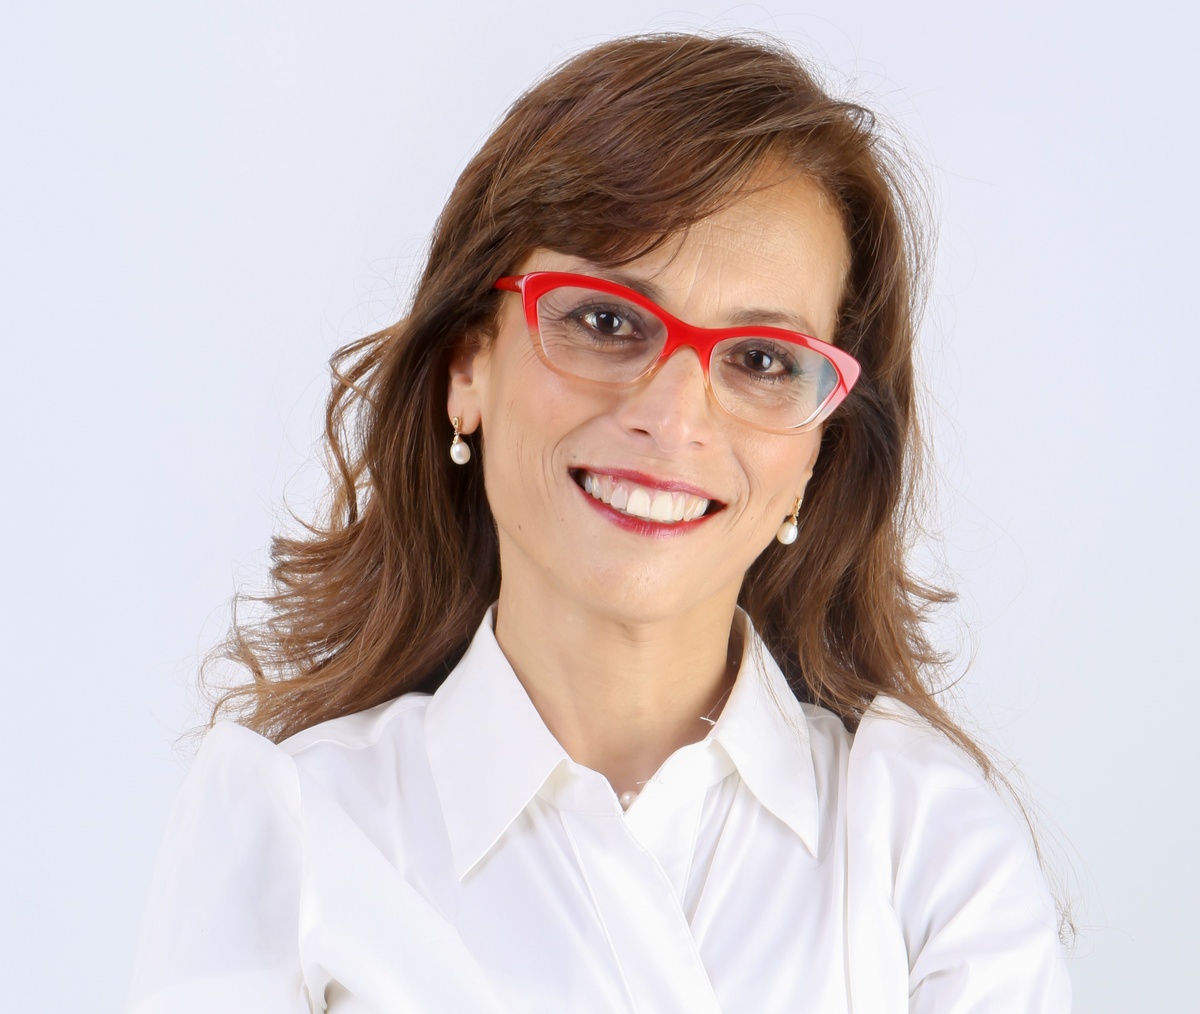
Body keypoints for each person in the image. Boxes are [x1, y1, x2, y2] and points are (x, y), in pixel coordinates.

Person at [128, 32, 1072, 1013]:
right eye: (607, 321)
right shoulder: (293, 832)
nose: (673, 415)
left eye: (760, 360)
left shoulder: (930, 848)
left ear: (815, 455)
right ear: (468, 369)